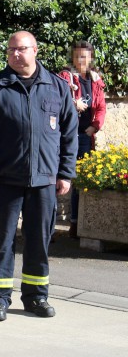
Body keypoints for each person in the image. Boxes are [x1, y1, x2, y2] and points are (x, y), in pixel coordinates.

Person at [0, 31, 78, 322]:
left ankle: (36, 297)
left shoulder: (56, 86)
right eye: (11, 50)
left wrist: (65, 172)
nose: (15, 54)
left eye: (21, 49)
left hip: (44, 180)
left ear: (35, 50)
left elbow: (69, 134)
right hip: (5, 179)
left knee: (39, 240)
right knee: (2, 240)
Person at [57, 41, 106, 238]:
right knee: (57, 177)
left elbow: (101, 107)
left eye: (84, 56)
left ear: (91, 58)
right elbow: (57, 98)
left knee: (79, 181)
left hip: (84, 137)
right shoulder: (65, 77)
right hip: (64, 136)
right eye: (77, 56)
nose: (80, 60)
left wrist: (94, 126)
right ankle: (48, 226)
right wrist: (72, 102)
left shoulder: (96, 80)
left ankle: (75, 224)